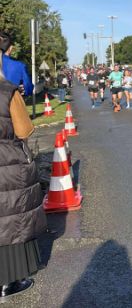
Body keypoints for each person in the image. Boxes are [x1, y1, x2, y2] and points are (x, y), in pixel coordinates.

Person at [0, 34, 46, 300]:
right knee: (9, 217)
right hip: (6, 160)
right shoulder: (8, 90)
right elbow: (24, 130)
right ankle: (8, 282)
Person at [0, 32, 34, 96]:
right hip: (11, 100)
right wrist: (23, 90)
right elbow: (29, 88)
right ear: (10, 48)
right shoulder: (19, 66)